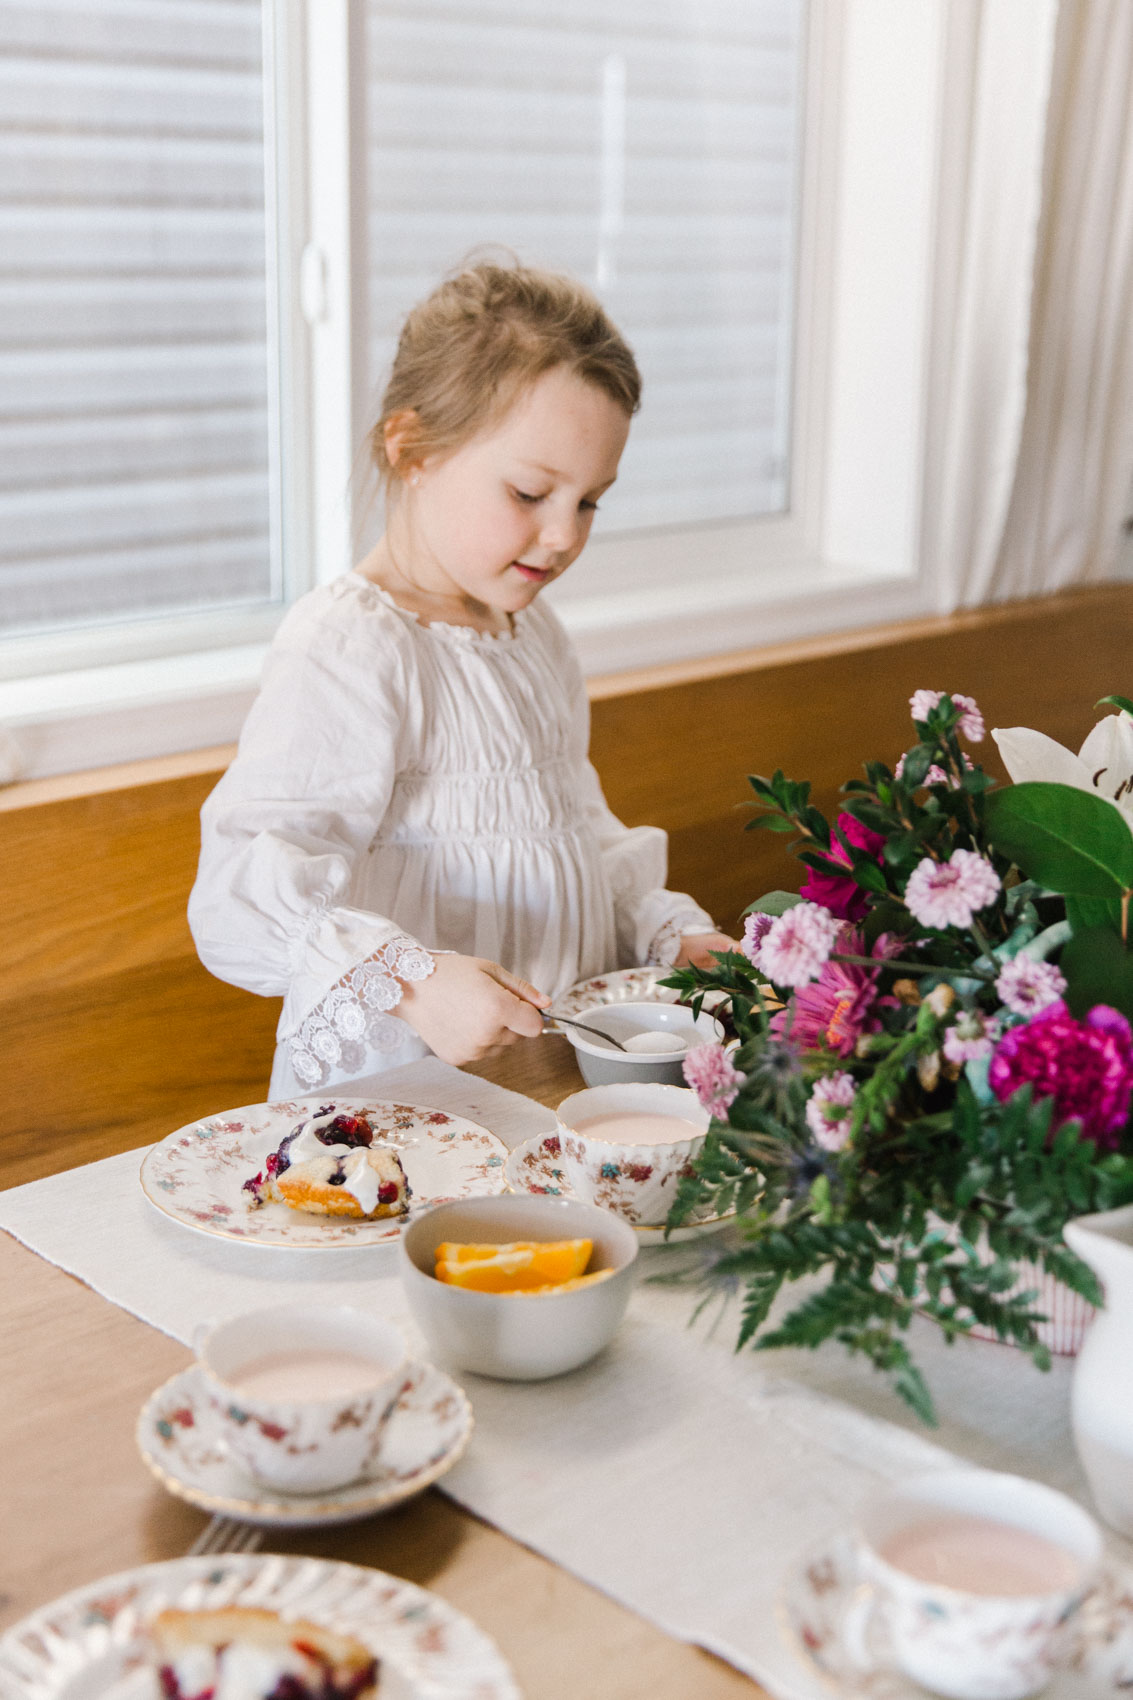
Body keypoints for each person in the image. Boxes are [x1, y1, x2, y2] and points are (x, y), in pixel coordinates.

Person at [188, 261, 734, 1097]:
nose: (560, 537)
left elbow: (576, 826)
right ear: (410, 448)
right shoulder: (352, 646)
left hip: (548, 1082)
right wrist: (408, 980)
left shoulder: (530, 630)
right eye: (529, 491)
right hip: (399, 1108)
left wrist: (670, 937)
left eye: (590, 501)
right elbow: (236, 894)